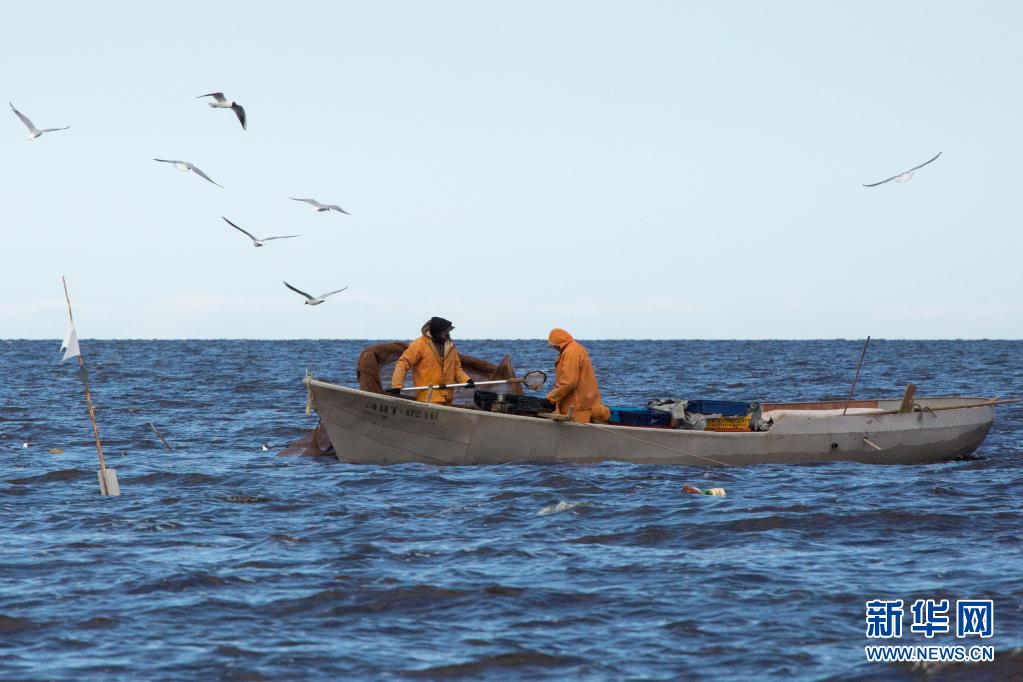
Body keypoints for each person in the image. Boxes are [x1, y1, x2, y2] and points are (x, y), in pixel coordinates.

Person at [388, 317, 474, 405]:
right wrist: (396, 386)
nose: (447, 333)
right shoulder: (419, 344)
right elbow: (403, 363)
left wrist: (466, 380)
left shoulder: (450, 346)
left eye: (448, 331)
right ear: (437, 331)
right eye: (445, 331)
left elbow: (456, 368)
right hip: (428, 397)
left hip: (447, 397)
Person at [545, 328, 611, 424]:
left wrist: (550, 398)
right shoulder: (576, 348)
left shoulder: (570, 352)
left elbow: (569, 382)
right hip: (587, 402)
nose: (554, 348)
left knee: (577, 436)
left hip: (577, 406)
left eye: (553, 346)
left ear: (557, 342)